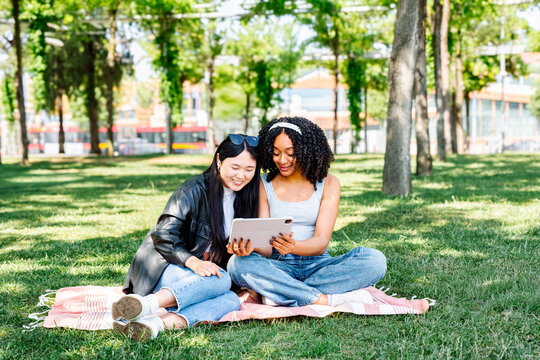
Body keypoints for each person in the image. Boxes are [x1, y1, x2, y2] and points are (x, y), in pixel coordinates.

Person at [113, 134, 260, 341]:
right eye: (235, 167)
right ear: (219, 161)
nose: (241, 176)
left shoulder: (247, 197)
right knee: (222, 282)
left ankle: (152, 325)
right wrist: (194, 263)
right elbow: (163, 234)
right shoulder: (193, 189)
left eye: (249, 170)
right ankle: (145, 304)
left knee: (231, 300)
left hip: (199, 279)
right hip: (163, 268)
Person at [227, 117, 386, 307]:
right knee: (238, 264)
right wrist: (249, 247)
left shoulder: (329, 183)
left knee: (375, 261)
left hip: (318, 265)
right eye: (276, 153)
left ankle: (280, 292)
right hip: (279, 265)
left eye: (290, 153)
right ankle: (321, 298)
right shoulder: (263, 183)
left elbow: (321, 243)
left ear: (306, 151)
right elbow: (267, 250)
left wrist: (293, 246)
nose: (282, 160)